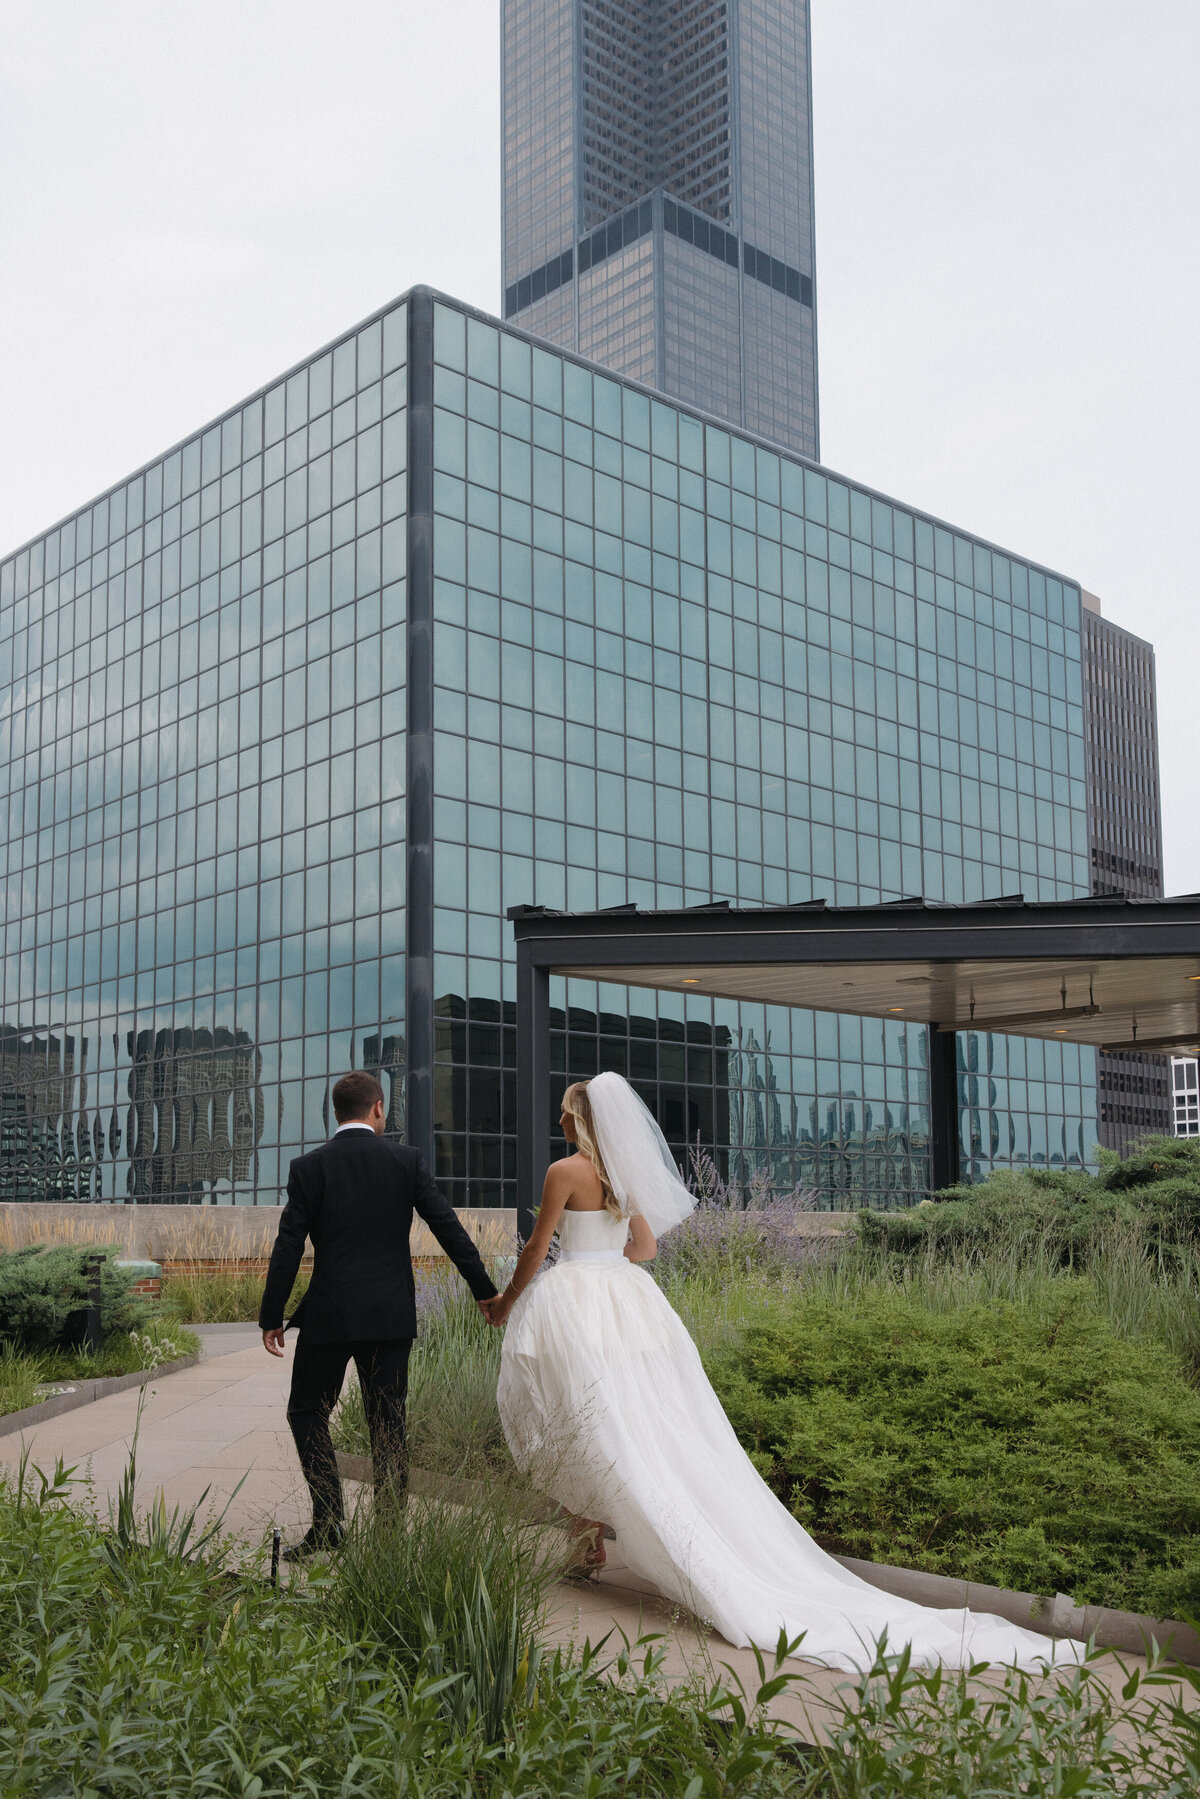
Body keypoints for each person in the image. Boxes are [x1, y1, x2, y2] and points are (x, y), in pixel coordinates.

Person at [485, 1071, 1084, 1672]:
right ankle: (593, 1540)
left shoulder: (565, 1172)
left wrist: (507, 1300)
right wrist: (607, 1247)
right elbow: (645, 1252)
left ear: (581, 1119)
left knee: (579, 1416)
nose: (559, 1121)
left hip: (578, 1307)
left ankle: (587, 1540)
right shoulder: (622, 1174)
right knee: (636, 1424)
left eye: (565, 1113)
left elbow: (537, 1250)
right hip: (630, 1306)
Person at [260, 1069, 498, 1558]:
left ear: (336, 1112)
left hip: (329, 1317)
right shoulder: (405, 1161)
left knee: (307, 1413)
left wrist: (272, 1315)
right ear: (377, 1109)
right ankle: (389, 1538)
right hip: (390, 1318)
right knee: (388, 1421)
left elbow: (288, 1247)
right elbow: (448, 1228)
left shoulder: (309, 1167)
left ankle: (328, 1524)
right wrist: (484, 1291)